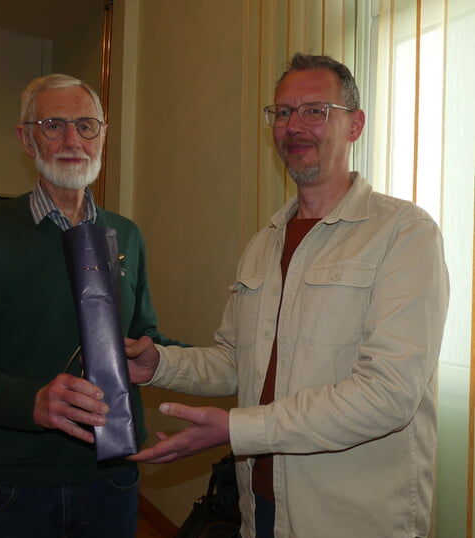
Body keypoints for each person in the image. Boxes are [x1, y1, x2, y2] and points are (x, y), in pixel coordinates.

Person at [125, 53, 450, 538]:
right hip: (260, 507)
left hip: (353, 519)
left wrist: (239, 430)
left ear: (355, 125)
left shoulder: (405, 233)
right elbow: (239, 362)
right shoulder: (263, 243)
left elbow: (388, 395)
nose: (294, 126)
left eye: (315, 110)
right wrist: (161, 366)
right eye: (282, 112)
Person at [0, 73, 180, 538]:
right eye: (53, 125)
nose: (72, 140)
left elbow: (145, 340)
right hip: (14, 483)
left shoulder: (126, 235)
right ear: (27, 139)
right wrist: (35, 402)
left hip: (113, 478)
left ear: (103, 135)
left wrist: (210, 361)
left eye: (86, 126)